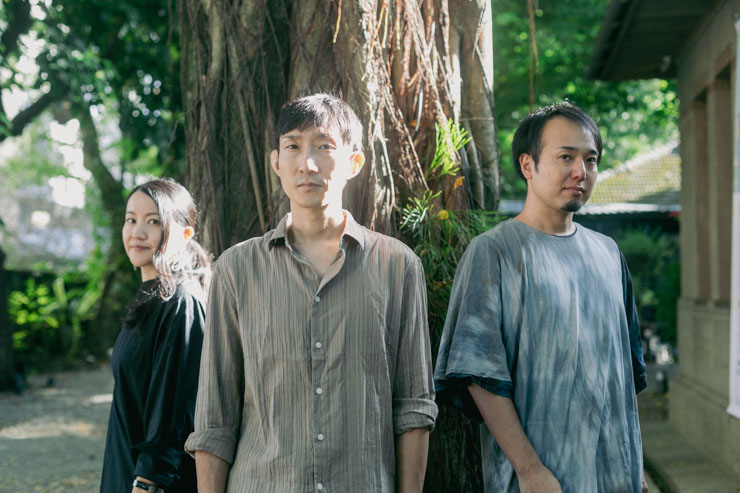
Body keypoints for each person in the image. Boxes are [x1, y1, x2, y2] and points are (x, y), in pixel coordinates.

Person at [185, 93, 438, 493]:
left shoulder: (397, 266)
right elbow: (214, 418)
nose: (308, 164)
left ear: (354, 162)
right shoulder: (237, 269)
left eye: (324, 146)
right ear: (276, 162)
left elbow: (414, 408)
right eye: (293, 147)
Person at [434, 102, 648, 493]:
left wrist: (634, 464)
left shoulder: (608, 253)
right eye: (566, 157)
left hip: (616, 477)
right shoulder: (494, 252)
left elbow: (624, 373)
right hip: (538, 480)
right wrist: (530, 469)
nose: (580, 172)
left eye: (590, 160)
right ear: (528, 165)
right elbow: (480, 377)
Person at [101, 178, 212, 493]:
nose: (137, 232)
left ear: (185, 235)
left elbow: (172, 412)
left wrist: (147, 483)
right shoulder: (149, 299)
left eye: (153, 221)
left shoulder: (180, 304)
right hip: (123, 472)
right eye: (131, 220)